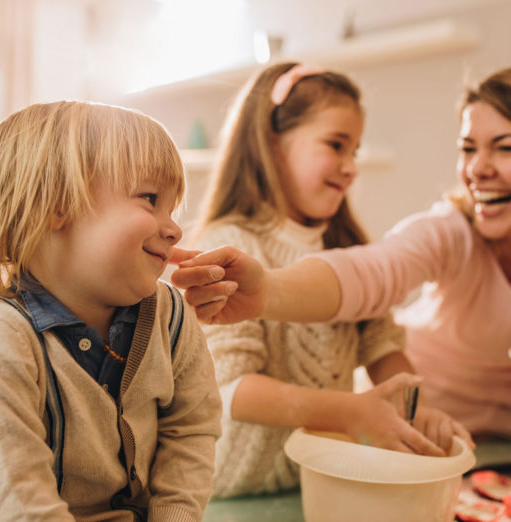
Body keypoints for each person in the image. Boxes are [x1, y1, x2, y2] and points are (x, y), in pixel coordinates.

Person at [171, 64, 511, 441]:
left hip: (506, 436)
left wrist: (412, 411)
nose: (476, 168)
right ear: (271, 143)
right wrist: (268, 290)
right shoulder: (448, 233)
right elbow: (371, 274)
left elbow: (382, 344)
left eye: (507, 146)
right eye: (468, 149)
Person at [0, 101, 222, 521]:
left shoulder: (170, 317)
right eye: (150, 199)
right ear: (54, 205)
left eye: (173, 208)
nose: (174, 228)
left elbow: (190, 428)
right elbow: (22, 501)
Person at [188, 62, 471, 498]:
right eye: (336, 145)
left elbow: (384, 349)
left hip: (323, 482)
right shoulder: (228, 245)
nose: (349, 167)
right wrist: (349, 412)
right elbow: (230, 388)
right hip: (238, 491)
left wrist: (420, 411)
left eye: (354, 151)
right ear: (272, 142)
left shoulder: (347, 246)